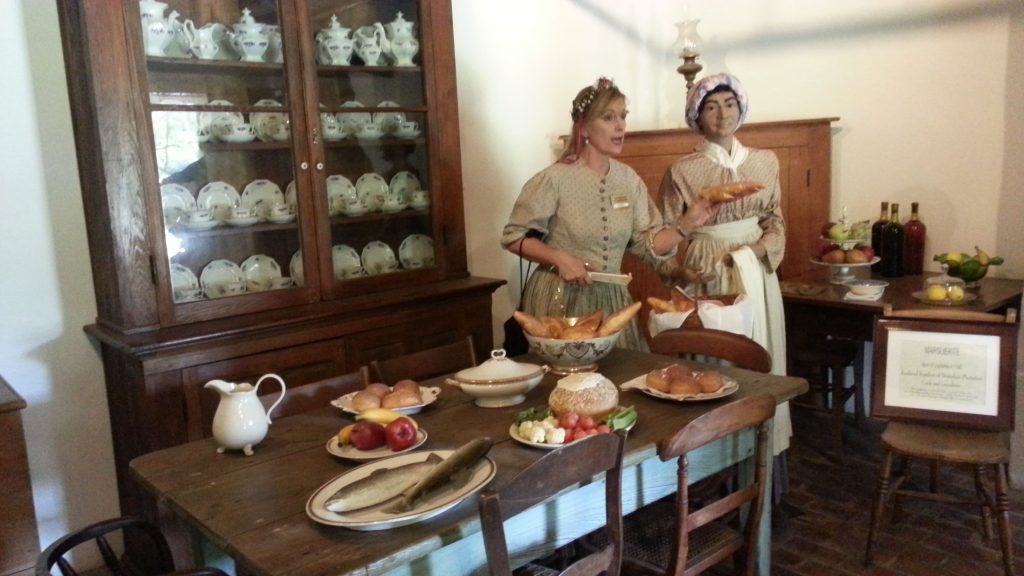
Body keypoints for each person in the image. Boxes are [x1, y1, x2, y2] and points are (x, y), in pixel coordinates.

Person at [657, 73, 791, 456]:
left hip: (754, 267)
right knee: (714, 357)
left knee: (756, 353)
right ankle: (711, 457)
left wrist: (755, 253)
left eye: (729, 104)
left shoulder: (766, 163)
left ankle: (761, 454)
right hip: (708, 268)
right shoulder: (681, 170)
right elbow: (664, 233)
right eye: (711, 107)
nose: (721, 115)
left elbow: (775, 221)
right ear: (697, 116)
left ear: (741, 109)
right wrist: (678, 273)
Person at [501, 77, 689, 351]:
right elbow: (512, 236)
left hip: (611, 300)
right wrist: (558, 258)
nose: (620, 126)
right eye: (608, 117)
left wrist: (687, 224)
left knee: (618, 379)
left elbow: (646, 245)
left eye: (623, 117)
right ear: (585, 126)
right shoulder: (554, 179)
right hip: (558, 298)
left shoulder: (629, 180)